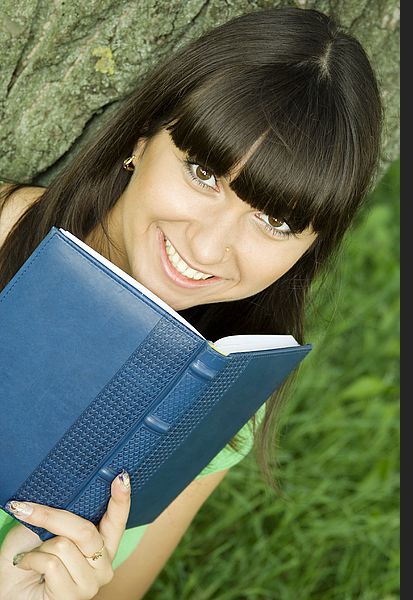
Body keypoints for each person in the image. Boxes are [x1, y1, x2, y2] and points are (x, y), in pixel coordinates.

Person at [0, 6, 382, 599]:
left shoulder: (219, 399)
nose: (206, 246)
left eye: (275, 221)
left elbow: (119, 591)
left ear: (310, 249)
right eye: (202, 172)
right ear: (140, 139)